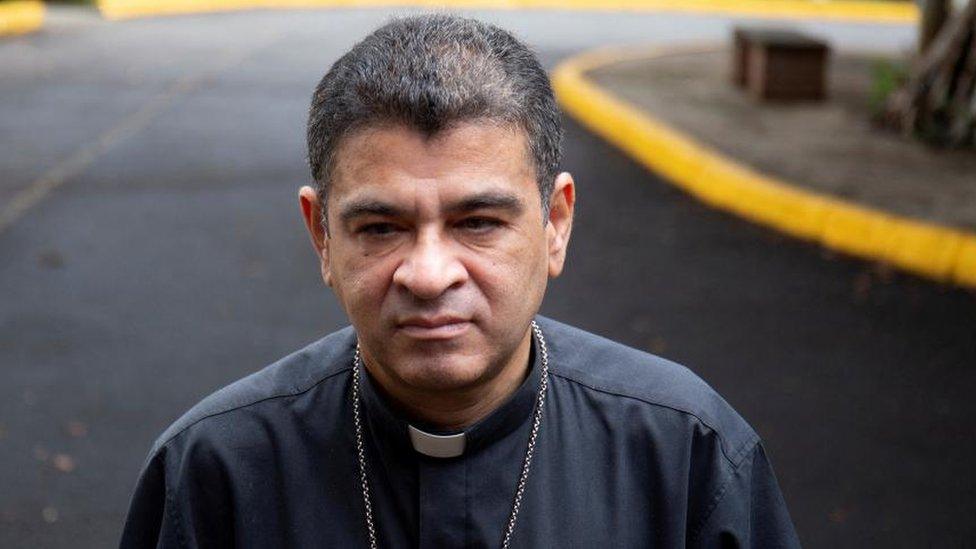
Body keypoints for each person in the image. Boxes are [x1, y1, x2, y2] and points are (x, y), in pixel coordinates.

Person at [120, 13, 800, 548]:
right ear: (322, 234)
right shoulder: (216, 471)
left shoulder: (687, 456)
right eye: (381, 227)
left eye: (477, 221)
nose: (428, 274)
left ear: (555, 222)